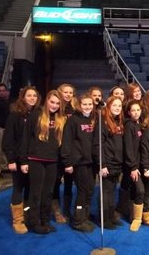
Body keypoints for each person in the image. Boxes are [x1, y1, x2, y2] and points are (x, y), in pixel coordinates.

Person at [20, 90, 67, 234]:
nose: (54, 105)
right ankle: (34, 222)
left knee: (48, 192)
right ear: (46, 101)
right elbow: (25, 138)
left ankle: (45, 220)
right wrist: (23, 161)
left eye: (57, 103)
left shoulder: (61, 118)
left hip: (52, 161)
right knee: (36, 192)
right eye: (52, 102)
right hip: (35, 160)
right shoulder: (36, 115)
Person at [2, 86, 41, 234]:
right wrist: (11, 159)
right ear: (23, 97)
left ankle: (27, 214)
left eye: (34, 96)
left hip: (33, 158)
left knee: (30, 189)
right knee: (19, 188)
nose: (32, 98)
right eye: (29, 95)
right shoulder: (15, 115)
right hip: (18, 159)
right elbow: (7, 140)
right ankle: (17, 220)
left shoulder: (38, 114)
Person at [61, 94, 96, 233]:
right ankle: (77, 220)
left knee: (90, 189)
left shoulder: (93, 119)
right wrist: (67, 162)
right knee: (82, 191)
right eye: (85, 104)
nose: (87, 107)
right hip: (79, 162)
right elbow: (67, 142)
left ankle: (85, 216)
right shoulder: (73, 121)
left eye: (90, 104)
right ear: (79, 105)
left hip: (90, 162)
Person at [93, 96, 124, 229]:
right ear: (109, 106)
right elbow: (97, 144)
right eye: (114, 105)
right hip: (107, 163)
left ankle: (111, 216)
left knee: (112, 192)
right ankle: (103, 219)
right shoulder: (103, 121)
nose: (117, 108)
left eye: (119, 106)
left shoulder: (119, 122)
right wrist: (102, 164)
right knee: (105, 193)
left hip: (117, 163)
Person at [52, 83, 79, 224]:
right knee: (55, 182)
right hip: (56, 152)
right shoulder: (55, 108)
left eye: (70, 92)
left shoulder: (75, 110)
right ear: (59, 93)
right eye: (65, 92)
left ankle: (67, 210)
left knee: (69, 182)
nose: (68, 95)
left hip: (70, 152)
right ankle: (56, 211)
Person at [124, 100, 145, 232]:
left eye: (138, 110)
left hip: (139, 163)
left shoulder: (139, 125)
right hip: (132, 165)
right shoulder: (129, 126)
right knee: (140, 190)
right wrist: (133, 167)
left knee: (134, 190)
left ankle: (133, 215)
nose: (136, 112)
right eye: (133, 110)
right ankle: (137, 219)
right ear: (129, 112)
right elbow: (128, 148)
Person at [0, 83, 11, 172]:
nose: (1, 93)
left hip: (8, 129)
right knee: (0, 148)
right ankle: (3, 167)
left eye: (3, 91)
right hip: (0, 128)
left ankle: (7, 165)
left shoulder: (9, 101)